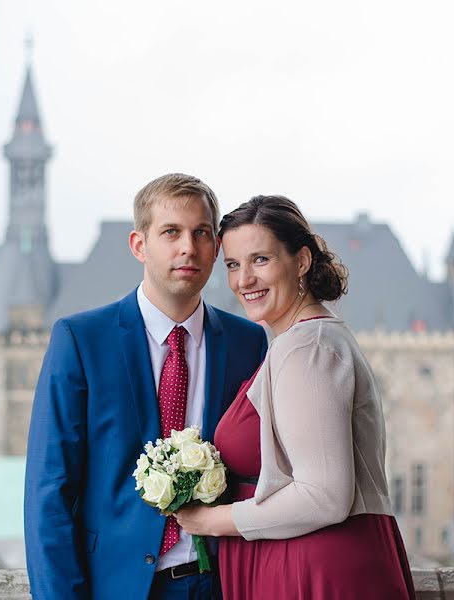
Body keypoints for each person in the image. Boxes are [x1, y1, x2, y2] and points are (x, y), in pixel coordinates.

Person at [24, 174, 268, 599]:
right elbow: (50, 491)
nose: (187, 247)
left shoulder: (247, 342)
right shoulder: (82, 340)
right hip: (118, 586)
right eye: (170, 232)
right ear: (139, 245)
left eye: (201, 233)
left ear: (215, 248)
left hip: (221, 583)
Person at [175, 195, 416, 599]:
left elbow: (324, 497)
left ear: (301, 261)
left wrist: (210, 521)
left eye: (261, 260)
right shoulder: (301, 341)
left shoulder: (308, 348)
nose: (243, 280)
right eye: (233, 264)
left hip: (316, 564)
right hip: (304, 555)